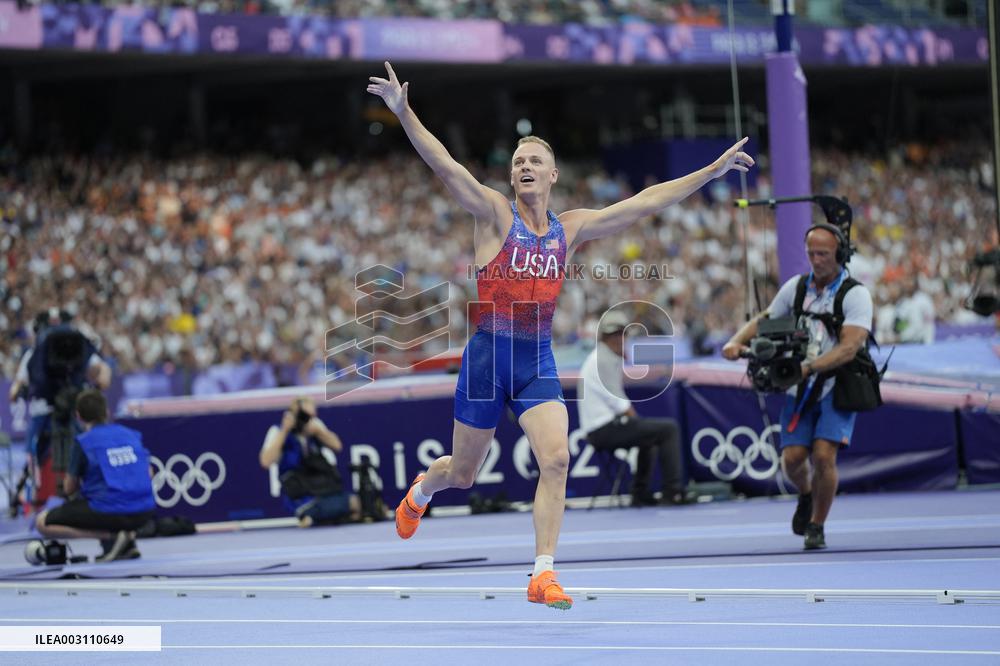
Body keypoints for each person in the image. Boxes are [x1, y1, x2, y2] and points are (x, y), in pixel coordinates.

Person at [368, 61, 754, 609]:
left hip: (535, 362)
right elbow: (447, 167)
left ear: (552, 176)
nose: (525, 165)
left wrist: (709, 173)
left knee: (556, 459)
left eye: (535, 160)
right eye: (519, 160)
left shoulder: (570, 229)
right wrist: (405, 114)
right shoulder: (495, 213)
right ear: (512, 177)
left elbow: (644, 202)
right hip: (485, 361)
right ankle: (421, 492)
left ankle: (542, 573)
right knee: (462, 474)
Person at [722, 223, 873, 550]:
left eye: (824, 254)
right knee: (791, 459)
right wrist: (736, 341)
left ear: (840, 254)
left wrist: (809, 367)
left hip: (838, 385)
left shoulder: (856, 294)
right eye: (811, 253)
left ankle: (817, 525)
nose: (816, 260)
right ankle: (806, 495)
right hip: (798, 386)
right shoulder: (796, 288)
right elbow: (766, 318)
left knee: (823, 456)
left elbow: (849, 348)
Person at [577, 311, 686, 507]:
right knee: (668, 429)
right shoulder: (601, 360)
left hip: (605, 426)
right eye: (614, 335)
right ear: (603, 338)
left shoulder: (607, 357)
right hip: (602, 430)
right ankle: (673, 492)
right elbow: (619, 404)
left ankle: (639, 493)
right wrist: (638, 422)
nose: (619, 339)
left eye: (622, 334)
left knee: (650, 437)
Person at [34, 389, 156, 563]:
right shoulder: (131, 434)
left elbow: (69, 488)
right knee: (101, 498)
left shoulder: (84, 441)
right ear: (107, 412)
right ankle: (127, 542)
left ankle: (110, 536)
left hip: (110, 512)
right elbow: (149, 473)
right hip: (145, 511)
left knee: (42, 522)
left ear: (78, 416)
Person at [10, 309, 112, 511]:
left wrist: (98, 383)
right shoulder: (34, 354)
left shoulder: (77, 348)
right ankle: (30, 494)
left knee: (85, 443)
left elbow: (104, 371)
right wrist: (17, 390)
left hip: (73, 410)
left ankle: (87, 490)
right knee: (34, 451)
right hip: (44, 415)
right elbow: (16, 387)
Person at [259, 396, 361, 527]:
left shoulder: (314, 426)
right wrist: (284, 431)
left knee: (357, 503)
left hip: (321, 489)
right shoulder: (278, 430)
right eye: (303, 415)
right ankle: (311, 515)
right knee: (350, 505)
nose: (306, 419)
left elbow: (337, 446)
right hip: (299, 496)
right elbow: (265, 462)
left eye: (310, 415)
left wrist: (319, 432)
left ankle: (317, 517)